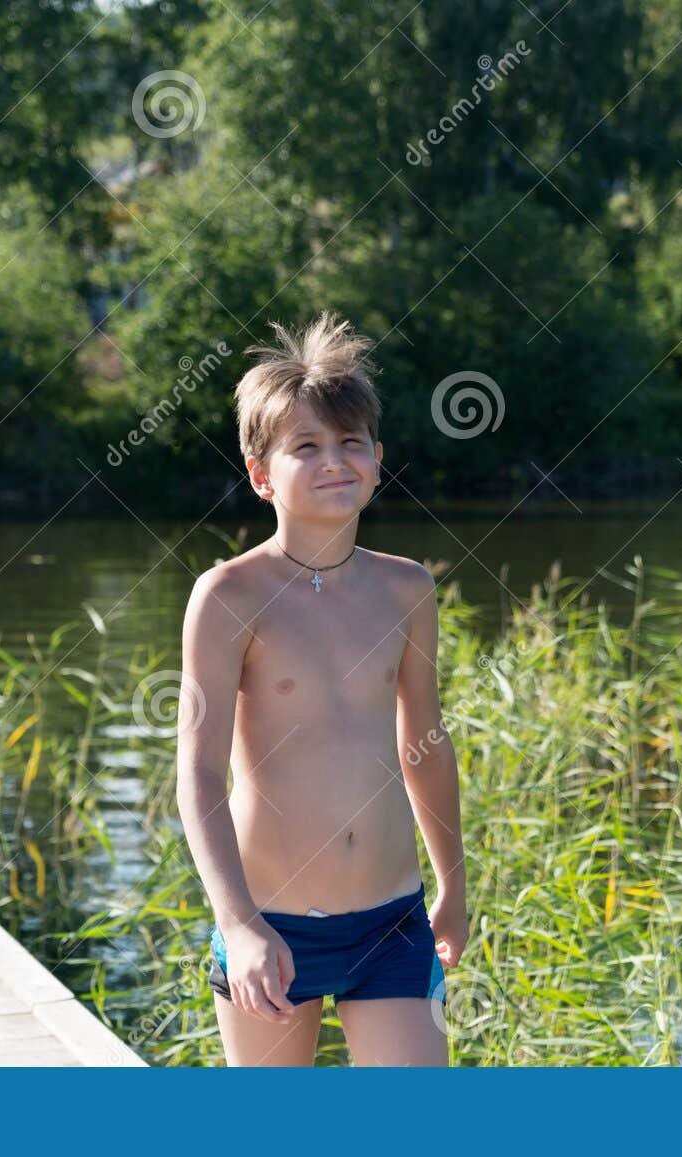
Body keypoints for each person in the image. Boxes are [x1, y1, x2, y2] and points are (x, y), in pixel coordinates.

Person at [175, 311, 469, 1066]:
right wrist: (237, 924)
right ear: (261, 473)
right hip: (273, 922)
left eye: (351, 442)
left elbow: (424, 746)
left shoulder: (407, 589)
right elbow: (200, 772)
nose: (335, 460)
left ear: (377, 458)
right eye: (306, 446)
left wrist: (453, 885)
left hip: (392, 922)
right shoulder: (228, 596)